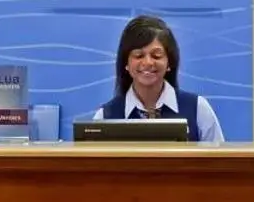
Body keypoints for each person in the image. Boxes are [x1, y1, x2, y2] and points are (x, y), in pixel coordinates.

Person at [91, 15, 225, 144]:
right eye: (139, 55)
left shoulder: (198, 109)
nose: (148, 62)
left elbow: (220, 164)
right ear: (126, 63)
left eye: (156, 56)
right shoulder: (105, 117)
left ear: (169, 63)